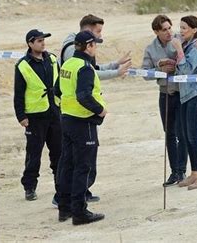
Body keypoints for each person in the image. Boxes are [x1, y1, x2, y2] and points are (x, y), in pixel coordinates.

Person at [141, 15, 197, 187]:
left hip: (186, 94)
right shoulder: (152, 48)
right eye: (165, 29)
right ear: (156, 32)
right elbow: (145, 73)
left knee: (187, 135)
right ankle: (180, 172)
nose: (171, 32)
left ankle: (193, 172)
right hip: (167, 94)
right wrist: (161, 66)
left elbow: (187, 64)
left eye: (172, 27)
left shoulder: (184, 42)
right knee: (173, 133)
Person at [56, 30, 106, 225]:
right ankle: (79, 212)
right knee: (83, 167)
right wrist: (100, 110)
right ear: (89, 46)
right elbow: (84, 95)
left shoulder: (67, 64)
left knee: (67, 164)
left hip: (66, 119)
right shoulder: (85, 67)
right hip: (83, 121)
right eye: (95, 44)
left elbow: (56, 90)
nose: (96, 48)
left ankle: (64, 209)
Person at [14, 29, 62, 201]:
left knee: (58, 151)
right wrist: (21, 116)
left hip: (55, 113)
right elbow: (18, 93)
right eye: (39, 40)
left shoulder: (53, 59)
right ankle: (29, 187)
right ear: (30, 43)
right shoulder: (23, 65)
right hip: (35, 116)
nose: (43, 43)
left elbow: (61, 85)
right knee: (33, 154)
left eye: (43, 40)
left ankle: (61, 185)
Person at [171, 15, 197, 190]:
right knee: (188, 137)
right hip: (187, 95)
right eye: (180, 27)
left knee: (194, 137)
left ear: (194, 30)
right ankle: (195, 172)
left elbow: (187, 69)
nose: (181, 31)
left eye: (185, 28)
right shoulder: (189, 44)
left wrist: (179, 50)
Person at [60, 14, 131, 79]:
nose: (100, 35)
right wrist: (117, 73)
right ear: (88, 31)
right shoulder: (72, 50)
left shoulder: (84, 46)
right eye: (98, 31)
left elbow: (94, 68)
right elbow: (90, 73)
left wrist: (117, 64)